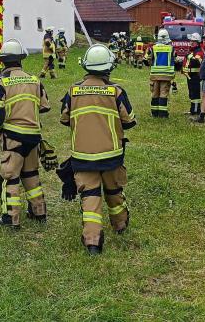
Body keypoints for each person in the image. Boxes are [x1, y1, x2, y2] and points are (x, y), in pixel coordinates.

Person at [58, 44, 137, 255]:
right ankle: (120, 225)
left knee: (90, 197)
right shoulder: (116, 91)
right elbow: (129, 121)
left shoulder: (73, 91)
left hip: (82, 157)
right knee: (113, 191)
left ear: (86, 65)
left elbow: (64, 119)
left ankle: (93, 242)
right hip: (112, 155)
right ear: (109, 67)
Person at [0, 39, 54, 228]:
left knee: (10, 177)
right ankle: (39, 212)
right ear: (20, 60)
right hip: (34, 136)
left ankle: (11, 218)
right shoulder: (34, 80)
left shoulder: (2, 82)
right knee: (31, 173)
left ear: (3, 62)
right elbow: (45, 106)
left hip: (13, 138)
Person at [149, 29, 174, 117]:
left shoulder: (153, 48)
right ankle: (163, 113)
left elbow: (149, 59)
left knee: (155, 93)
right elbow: (174, 59)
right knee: (163, 93)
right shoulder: (171, 48)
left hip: (155, 75)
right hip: (166, 75)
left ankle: (154, 113)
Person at [182, 33, 204, 116]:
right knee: (191, 93)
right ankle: (192, 110)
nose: (191, 43)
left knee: (195, 94)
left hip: (195, 76)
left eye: (193, 41)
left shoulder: (198, 51)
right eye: (190, 41)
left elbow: (197, 61)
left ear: (197, 43)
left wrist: (189, 56)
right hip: (190, 76)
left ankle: (195, 110)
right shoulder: (192, 51)